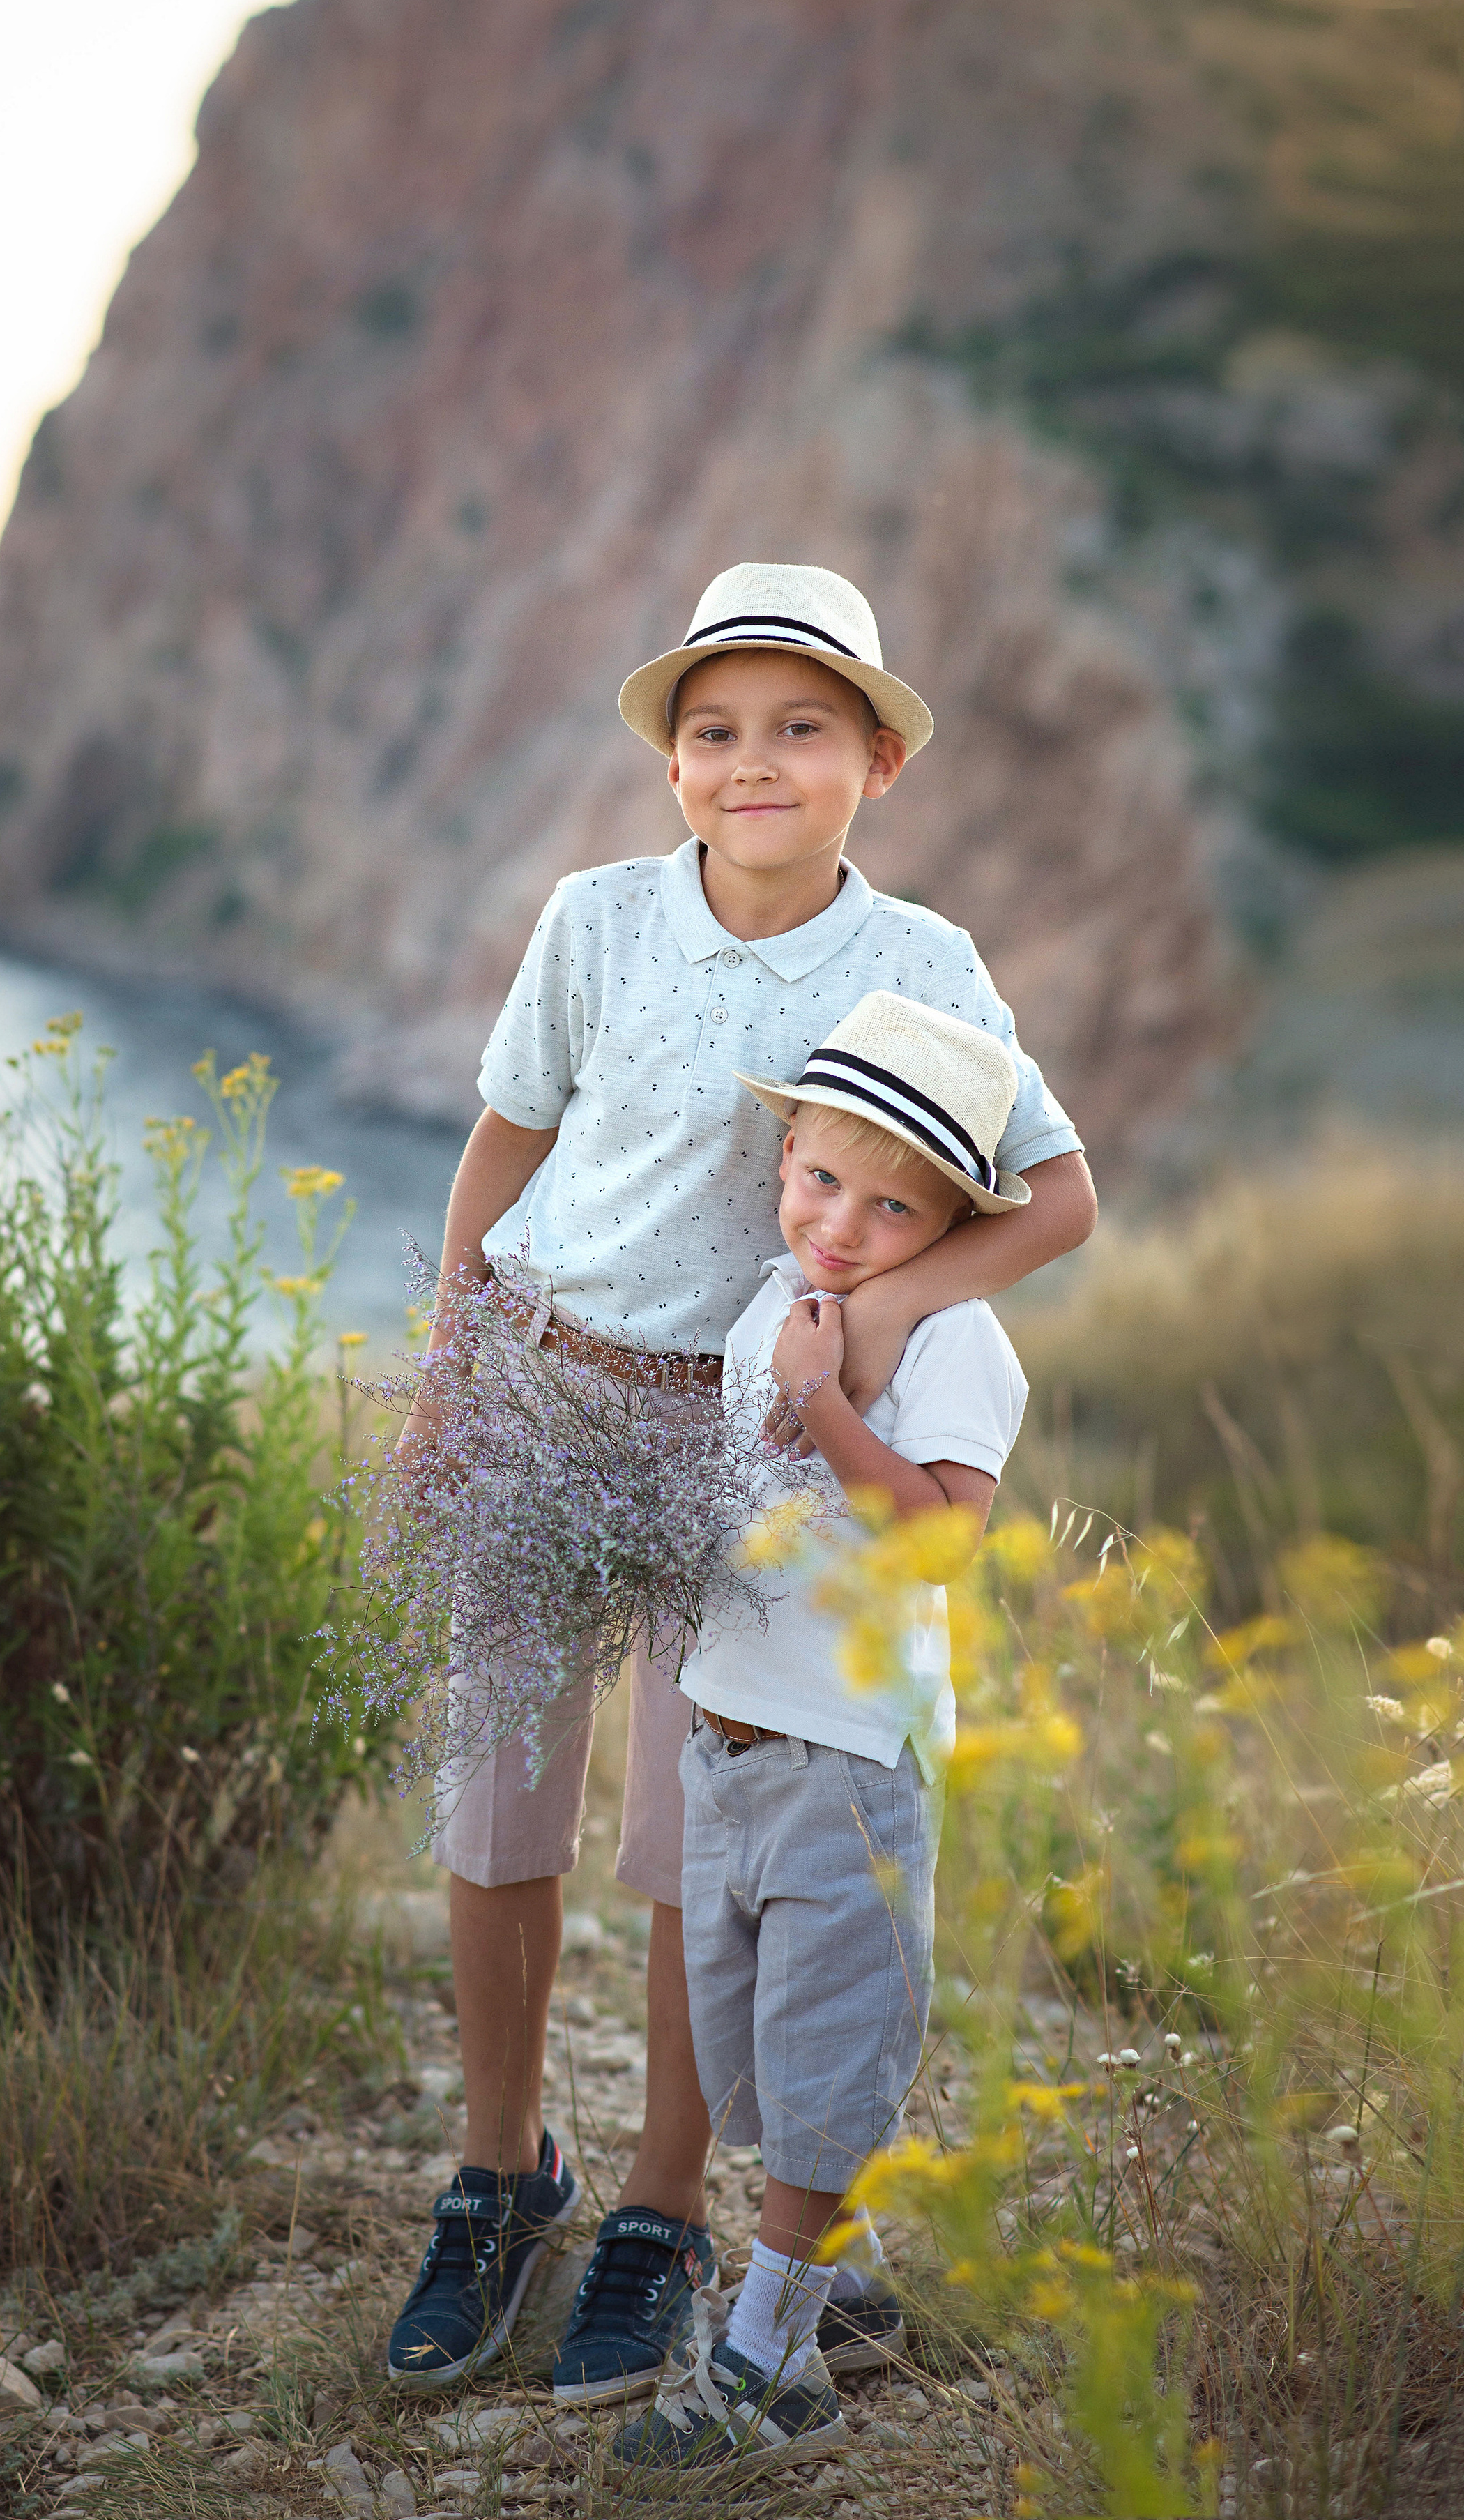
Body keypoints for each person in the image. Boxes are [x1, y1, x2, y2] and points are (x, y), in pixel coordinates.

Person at [383, 563, 1093, 2399]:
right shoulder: (596, 921)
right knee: (496, 1812)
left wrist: (881, 1317)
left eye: (800, 729)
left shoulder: (922, 965)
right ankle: (496, 2172)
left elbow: (1060, 1192)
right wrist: (444, 1367)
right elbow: (501, 1144)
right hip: (541, 1385)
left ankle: (658, 2207)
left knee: (697, 1839)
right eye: (715, 731)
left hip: (739, 1441)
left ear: (878, 760)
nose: (752, 761)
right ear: (673, 763)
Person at [609, 991, 1030, 2481]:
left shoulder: (952, 1340)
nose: (843, 1226)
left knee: (822, 2051)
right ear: (780, 1153)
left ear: (949, 1224)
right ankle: (829, 2285)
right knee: (743, 2063)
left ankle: (770, 2367)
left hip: (843, 1757)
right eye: (818, 1182)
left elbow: (935, 1545)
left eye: (894, 1206)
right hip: (724, 1742)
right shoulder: (766, 1306)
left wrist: (823, 1410)